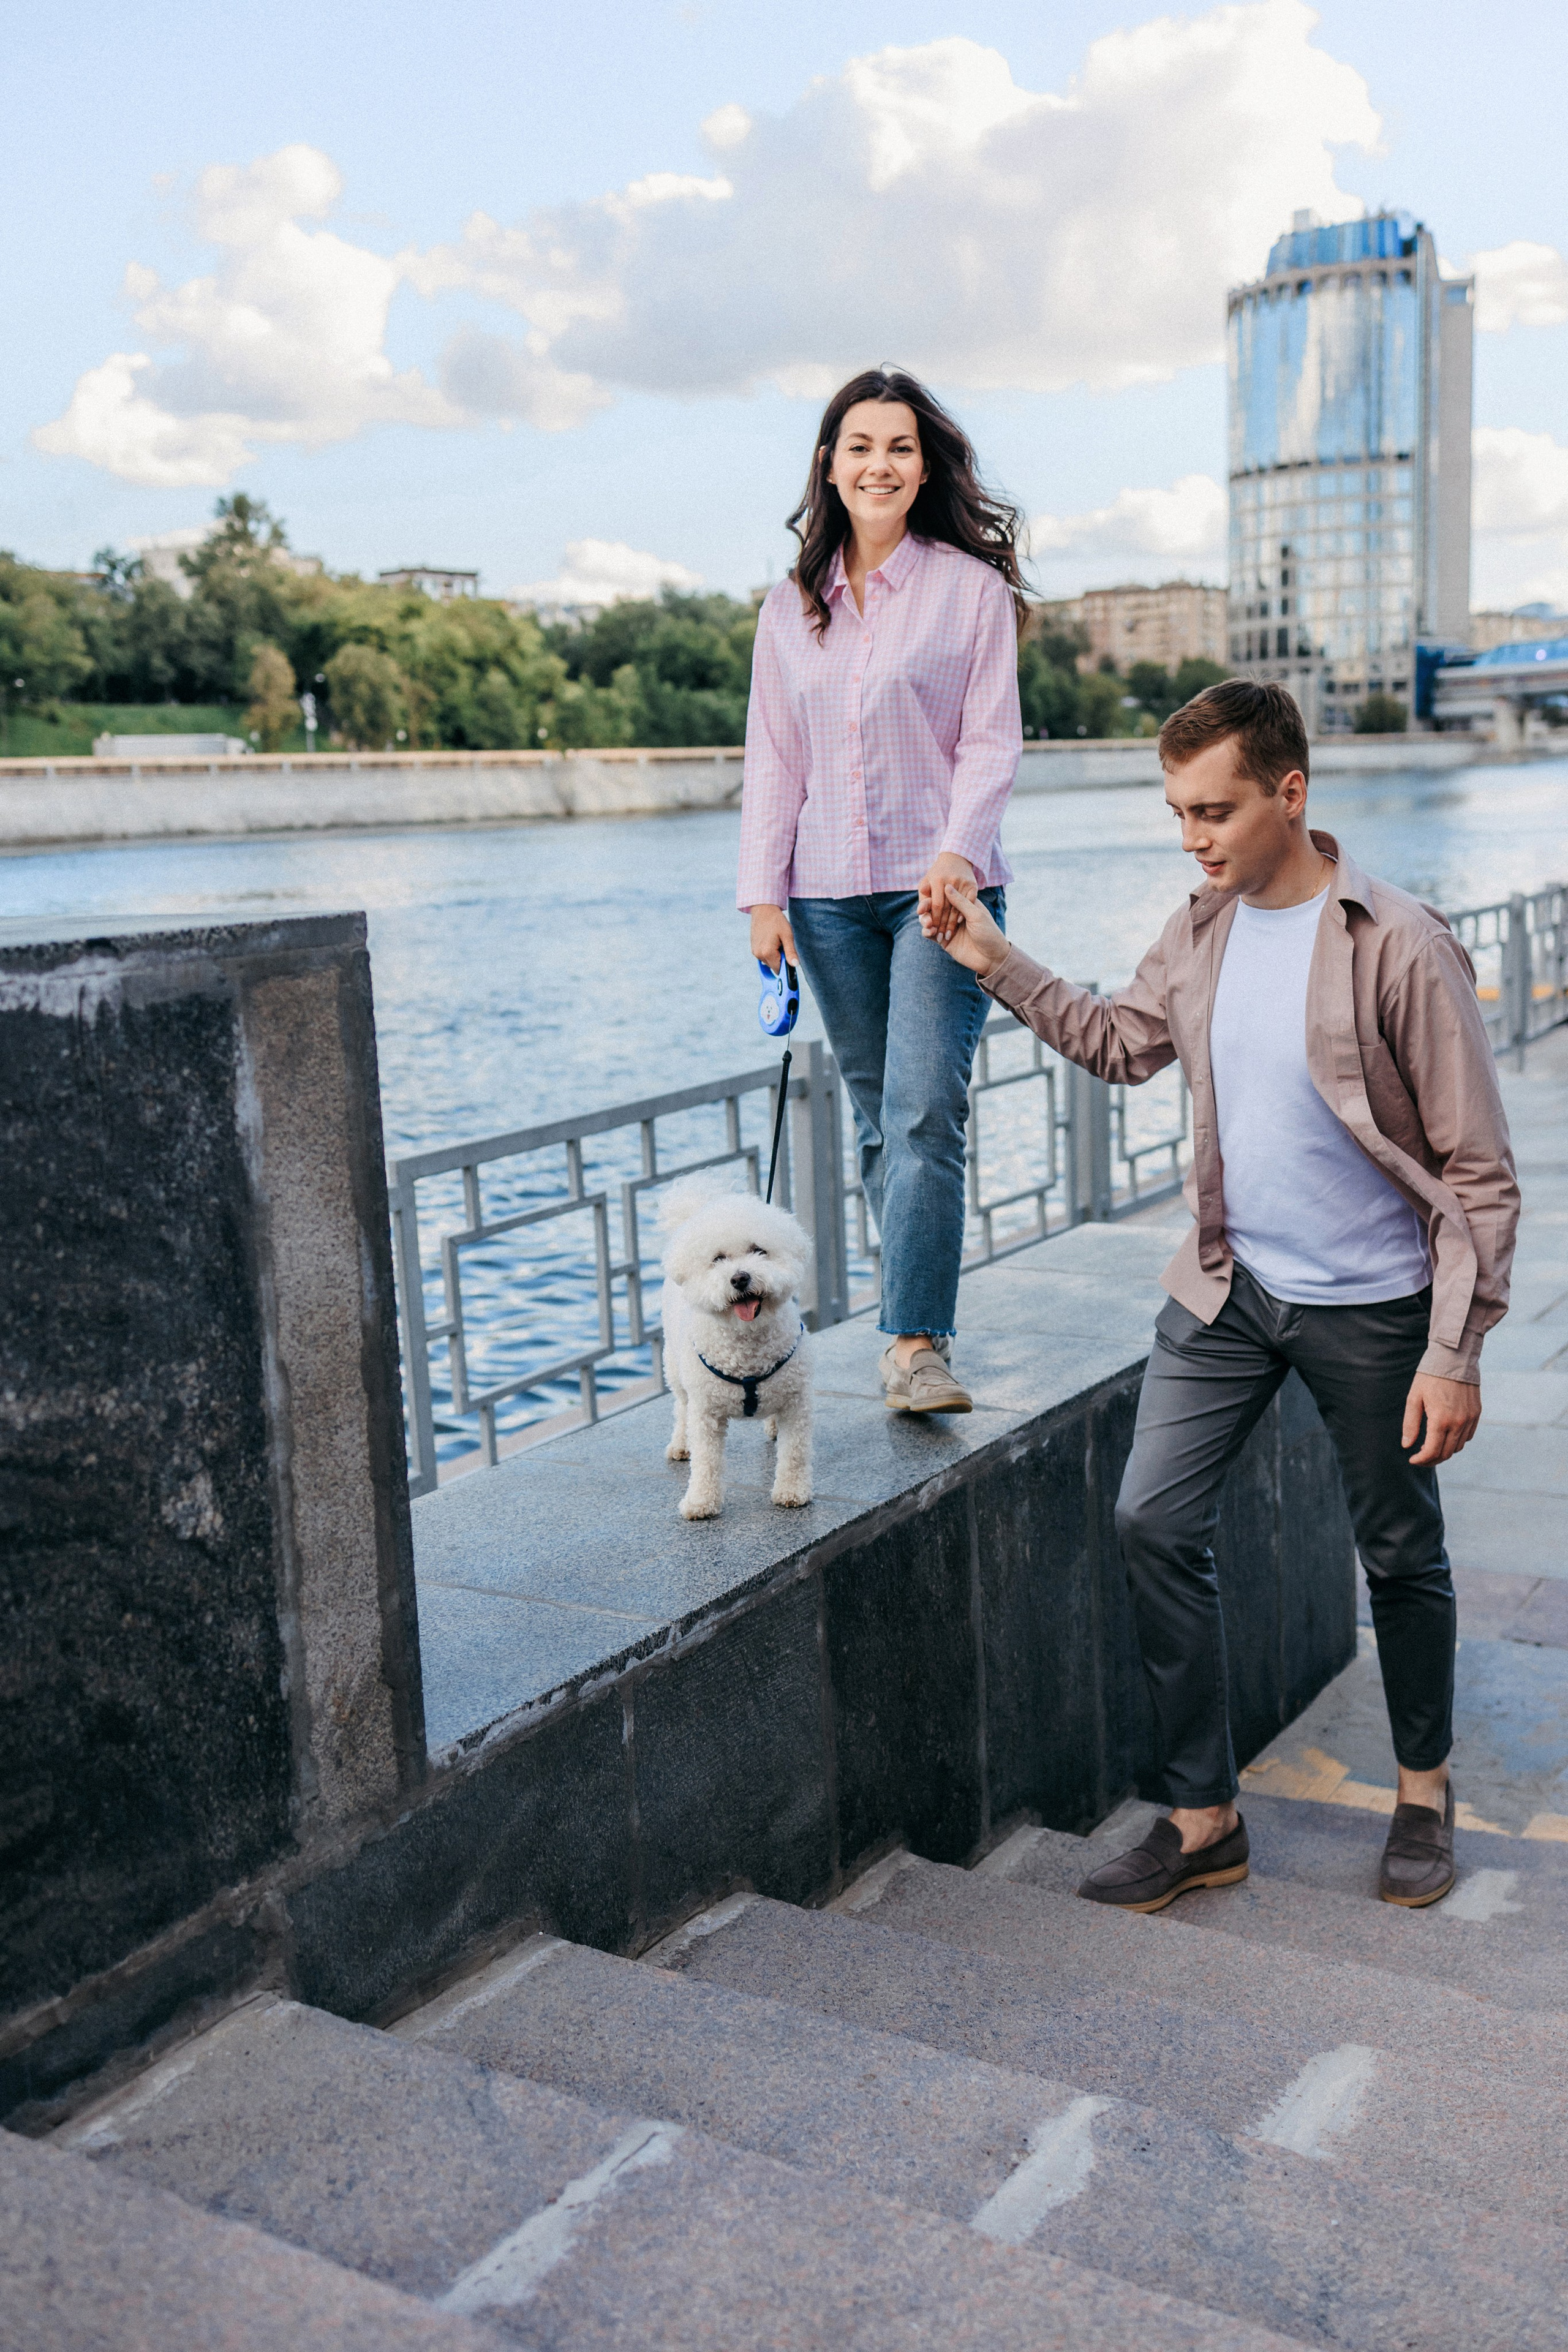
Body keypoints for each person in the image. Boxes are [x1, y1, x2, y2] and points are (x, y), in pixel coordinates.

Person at [927, 679, 1518, 1910]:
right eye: (1176, 811)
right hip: (1227, 1290)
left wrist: (1451, 1352)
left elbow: (1475, 1170)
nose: (1190, 838)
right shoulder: (1198, 928)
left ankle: (1420, 1791)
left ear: (1287, 794)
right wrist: (992, 957)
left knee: (1397, 1552)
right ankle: (1202, 1822)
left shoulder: (1394, 942)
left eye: (1212, 810)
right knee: (1151, 1520)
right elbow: (1118, 1043)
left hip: (1372, 1305)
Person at [738, 366, 1024, 1415]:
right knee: (877, 1116)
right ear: (831, 465)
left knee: (921, 1112)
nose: (880, 465)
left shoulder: (969, 594)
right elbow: (774, 757)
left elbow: (993, 742)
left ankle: (913, 1345)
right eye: (860, 446)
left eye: (899, 447)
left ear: (924, 465)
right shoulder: (790, 607)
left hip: (941, 895)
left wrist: (956, 851)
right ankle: (909, 1324)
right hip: (823, 896)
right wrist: (762, 897)